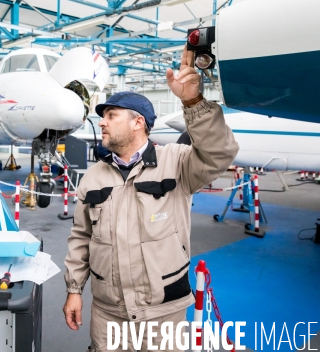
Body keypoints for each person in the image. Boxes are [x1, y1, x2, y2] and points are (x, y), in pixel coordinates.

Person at [62, 47, 239, 351]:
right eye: (102, 117)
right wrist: (74, 289)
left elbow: (219, 153)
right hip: (109, 313)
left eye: (111, 116)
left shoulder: (177, 163)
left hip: (163, 312)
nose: (102, 122)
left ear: (138, 122)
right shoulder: (94, 177)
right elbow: (81, 237)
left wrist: (193, 102)